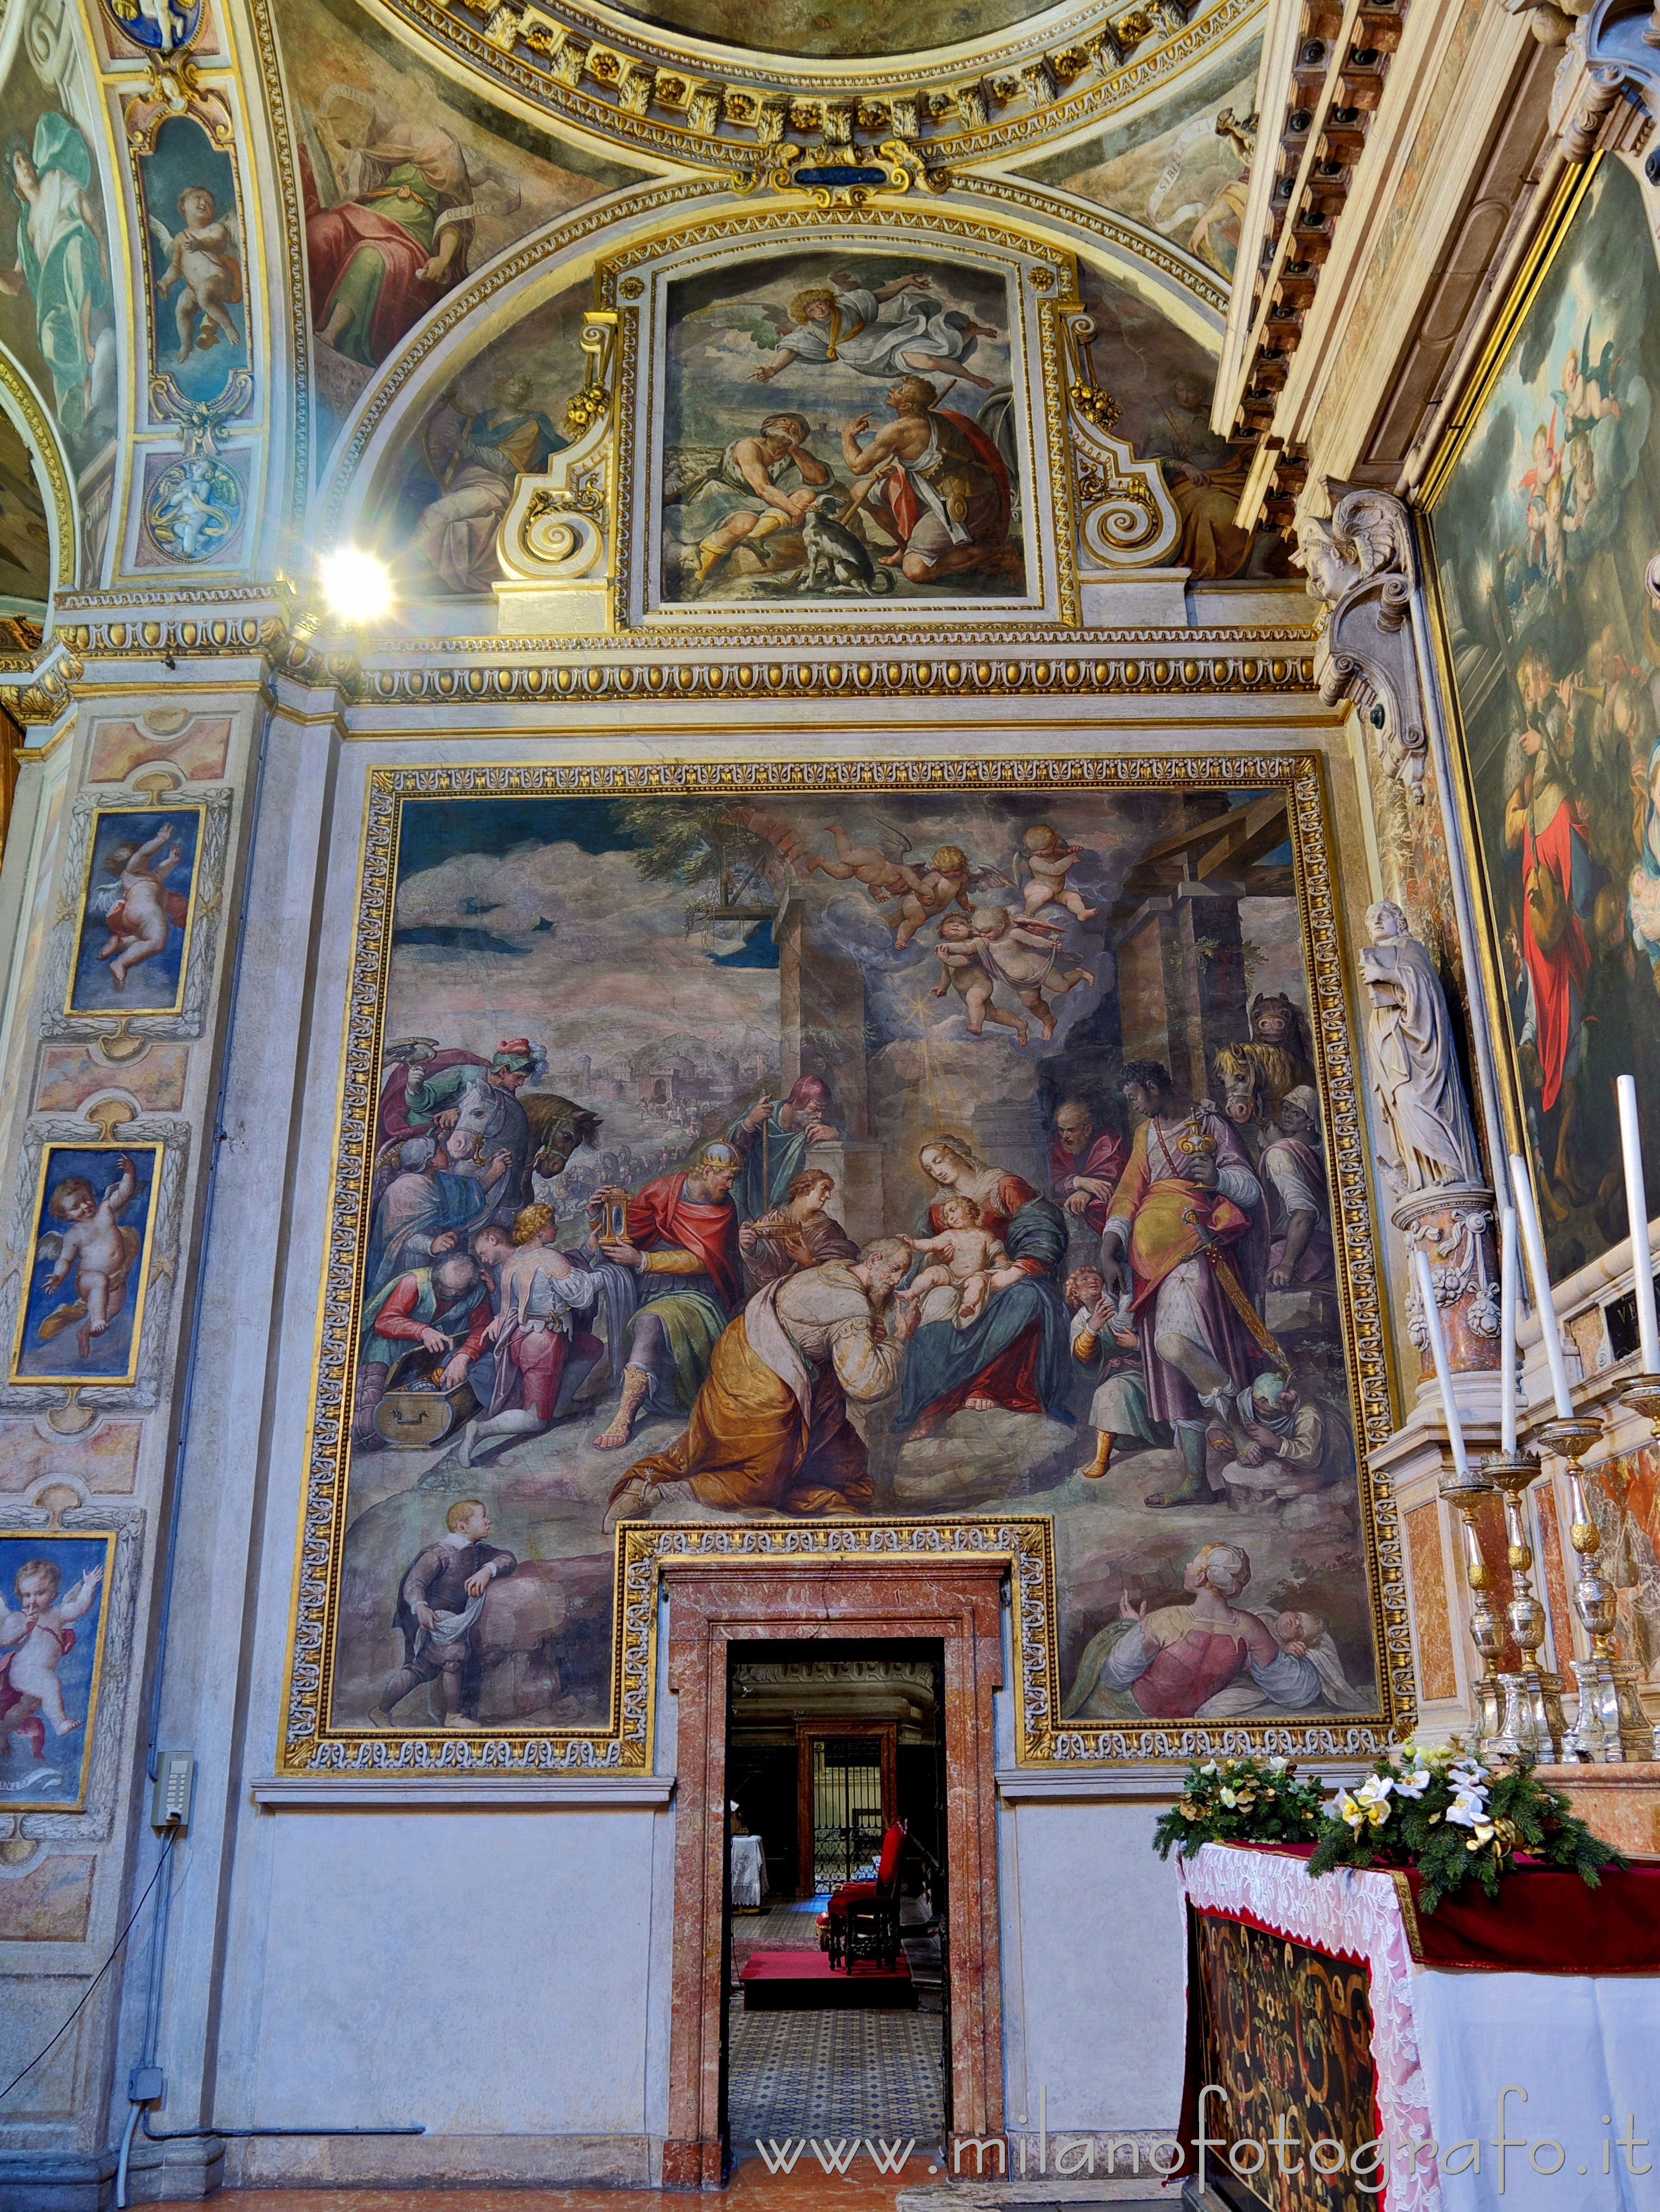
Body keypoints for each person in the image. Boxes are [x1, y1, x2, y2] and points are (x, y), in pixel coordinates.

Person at [603, 1239, 918, 1530]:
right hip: (763, 1380)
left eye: (902, 1274)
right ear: (874, 1260)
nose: (897, 1281)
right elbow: (866, 1384)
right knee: (763, 1481)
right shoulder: (853, 1309)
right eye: (894, 1270)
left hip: (742, 1343)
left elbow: (828, 1324)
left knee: (841, 1456)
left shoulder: (837, 1270)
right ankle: (658, 1494)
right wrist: (901, 1338)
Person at [1097, 1062, 1271, 1509]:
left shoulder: (1210, 1122)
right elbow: (1127, 1192)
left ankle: (1233, 1428)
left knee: (1176, 1346)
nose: (1134, 1104)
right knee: (1173, 1372)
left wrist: (1216, 1179)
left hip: (1194, 1250)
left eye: (1136, 1095)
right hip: (1148, 1267)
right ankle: (1196, 1480)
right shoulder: (1145, 1134)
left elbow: (1250, 1189)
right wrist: (1109, 1248)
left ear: (1154, 1086)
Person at [893, 1135, 1072, 1437]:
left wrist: (1016, 1270)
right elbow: (920, 1257)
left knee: (1024, 1300)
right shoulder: (937, 1211)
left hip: (1010, 1278)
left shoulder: (1004, 1187)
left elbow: (1043, 1227)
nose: (936, 1171)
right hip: (954, 1283)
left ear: (960, 1152)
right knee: (928, 1316)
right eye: (929, 1169)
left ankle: (989, 1388)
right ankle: (934, 1404)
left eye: (939, 1160)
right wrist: (935, 1259)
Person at [588, 1142, 744, 1451]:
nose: (730, 1185)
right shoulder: (662, 1191)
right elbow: (624, 1233)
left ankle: (624, 1417)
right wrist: (599, 1218)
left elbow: (704, 1260)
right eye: (726, 1177)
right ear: (708, 1171)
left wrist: (643, 1261)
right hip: (654, 1290)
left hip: (698, 1295)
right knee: (650, 1319)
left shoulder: (725, 1209)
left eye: (733, 1179)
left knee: (650, 1322)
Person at [1061, 1543, 1325, 1721]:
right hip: (1191, 1715)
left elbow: (1114, 1678)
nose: (1187, 1567)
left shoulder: (1165, 1620)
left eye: (1192, 1564)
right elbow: (1296, 1690)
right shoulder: (1251, 1628)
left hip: (1140, 1713)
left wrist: (1129, 1627)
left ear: (1200, 1578)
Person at [302, 100, 473, 368]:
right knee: (320, 232)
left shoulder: (449, 158)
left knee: (371, 259)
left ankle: (332, 333)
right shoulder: (400, 142)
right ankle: (301, 307)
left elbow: (454, 217)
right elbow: (368, 168)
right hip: (367, 214)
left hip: (408, 236)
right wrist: (331, 142)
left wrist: (442, 258)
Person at [839, 376, 1020, 589]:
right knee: (861, 491)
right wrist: (898, 469)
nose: (893, 389)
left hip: (966, 502)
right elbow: (932, 463)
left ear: (907, 405)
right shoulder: (930, 418)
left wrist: (847, 437)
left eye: (900, 390)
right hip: (930, 490)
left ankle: (1000, 554)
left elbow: (858, 466)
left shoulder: (899, 430)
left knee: (915, 570)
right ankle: (905, 546)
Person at [459, 1203, 603, 1466]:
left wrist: (588, 1252)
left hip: (525, 1338)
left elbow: (506, 1310)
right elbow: (580, 1295)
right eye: (552, 1224)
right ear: (538, 1230)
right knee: (536, 1420)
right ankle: (480, 1431)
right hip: (544, 1343)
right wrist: (608, 1274)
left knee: (591, 1347)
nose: (556, 1228)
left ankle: (562, 1404)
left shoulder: (513, 1261)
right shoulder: (548, 1257)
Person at [0, 116, 114, 446]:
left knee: (75, 252)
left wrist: (103, 249)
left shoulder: (54, 179)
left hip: (81, 258)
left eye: (25, 159)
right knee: (48, 337)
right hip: (56, 295)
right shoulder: (27, 228)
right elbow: (19, 282)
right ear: (15, 185)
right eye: (18, 164)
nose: (25, 165)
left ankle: (87, 345)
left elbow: (85, 210)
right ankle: (81, 384)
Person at [1360, 900, 1485, 1194]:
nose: (1377, 921)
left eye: (1384, 915)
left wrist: (1387, 975)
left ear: (1399, 921)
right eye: (1371, 918)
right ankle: (1423, 1175)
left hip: (1415, 1050)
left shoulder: (1407, 947)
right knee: (1399, 1108)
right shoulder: (1381, 955)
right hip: (1392, 1045)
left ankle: (1451, 1164)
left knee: (1410, 1099)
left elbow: (1426, 987)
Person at [408, 375, 569, 594]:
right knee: (458, 532)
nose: (517, 389)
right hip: (461, 485)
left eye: (523, 387)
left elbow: (506, 464)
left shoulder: (528, 425)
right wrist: (442, 451)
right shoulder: (480, 422)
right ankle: (430, 580)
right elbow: (453, 457)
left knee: (434, 513)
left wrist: (464, 446)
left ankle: (410, 572)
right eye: (513, 384)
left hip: (493, 488)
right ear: (500, 388)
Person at [370, 1499, 515, 1729]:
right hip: (435, 1623)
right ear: (462, 1527)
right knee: (453, 1656)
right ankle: (453, 1717)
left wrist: (488, 1570)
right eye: (482, 1517)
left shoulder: (480, 1552)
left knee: (421, 1670)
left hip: (457, 1624)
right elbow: (414, 1584)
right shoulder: (439, 1554)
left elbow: (508, 1558)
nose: (489, 1521)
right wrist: (421, 1607)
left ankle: (380, 1711)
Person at [751, 273, 999, 391]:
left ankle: (973, 376)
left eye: (820, 303)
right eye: (813, 309)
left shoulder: (846, 305)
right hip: (867, 361)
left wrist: (903, 283)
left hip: (887, 341)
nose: (819, 310)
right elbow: (793, 347)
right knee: (930, 359)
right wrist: (773, 368)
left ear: (826, 300)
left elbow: (876, 298)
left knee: (931, 360)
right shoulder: (811, 330)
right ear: (809, 315)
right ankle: (968, 332)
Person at [673, 412, 832, 590]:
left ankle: (753, 537)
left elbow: (819, 479)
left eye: (795, 426)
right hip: (725, 496)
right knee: (744, 522)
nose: (788, 426)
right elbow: (762, 488)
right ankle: (696, 579)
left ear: (800, 436)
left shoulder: (792, 453)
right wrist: (795, 512)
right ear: (769, 426)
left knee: (807, 495)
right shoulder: (748, 446)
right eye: (783, 421)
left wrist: (796, 452)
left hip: (760, 503)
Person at [352, 1250, 494, 1446]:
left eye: (459, 1292)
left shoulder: (478, 1291)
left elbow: (482, 1329)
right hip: (386, 1354)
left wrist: (464, 1356)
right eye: (445, 1288)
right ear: (436, 1276)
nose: (452, 1294)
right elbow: (385, 1321)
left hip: (426, 1360)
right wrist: (422, 1331)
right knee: (367, 1425)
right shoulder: (414, 1282)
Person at [364, 1134, 512, 1300]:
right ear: (431, 1162)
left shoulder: (439, 1180)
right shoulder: (405, 1190)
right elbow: (398, 1240)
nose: (445, 1152)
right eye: (440, 1150)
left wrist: (496, 1171)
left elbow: (469, 1196)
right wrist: (431, 1245)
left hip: (440, 1259)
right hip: (409, 1265)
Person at [1140, 372, 1253, 580]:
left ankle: (1256, 566)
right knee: (1223, 514)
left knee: (1262, 506)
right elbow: (1153, 458)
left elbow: (1237, 444)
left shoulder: (1214, 415)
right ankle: (1221, 567)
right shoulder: (1166, 421)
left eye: (1191, 391)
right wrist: (1185, 467)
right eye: (1180, 390)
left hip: (1231, 474)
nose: (1185, 396)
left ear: (1202, 393)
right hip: (1192, 484)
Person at [38, 1155, 142, 1363]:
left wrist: (130, 1174)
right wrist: (58, 1276)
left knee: (113, 1310)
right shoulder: (74, 1235)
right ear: (67, 1216)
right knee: (99, 1281)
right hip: (88, 1280)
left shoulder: (106, 1210)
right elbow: (65, 1260)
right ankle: (96, 1319)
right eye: (76, 1206)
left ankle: (85, 1332)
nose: (85, 1206)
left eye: (86, 1198)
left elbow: (124, 1193)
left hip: (117, 1278)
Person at [0, 1557, 103, 1754]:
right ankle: (60, 1723)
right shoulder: (18, 1618)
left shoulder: (57, 1613)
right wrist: (22, 1630)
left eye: (40, 1593)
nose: (32, 1600)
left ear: (54, 1592)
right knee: (51, 1685)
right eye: (27, 1595)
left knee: (26, 1707)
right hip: (24, 1671)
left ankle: (3, 1732)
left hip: (39, 1673)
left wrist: (89, 1587)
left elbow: (79, 1608)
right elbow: (2, 1640)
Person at [1064, 1264, 1156, 1479]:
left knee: (1111, 1391)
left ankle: (1102, 1459)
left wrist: (1138, 1344)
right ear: (1076, 1292)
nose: (1094, 1280)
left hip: (1146, 1375)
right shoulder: (1080, 1320)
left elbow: (1154, 1333)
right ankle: (1105, 1453)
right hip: (1113, 1377)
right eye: (1085, 1278)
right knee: (1111, 1391)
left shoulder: (1124, 1305)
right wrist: (1092, 1328)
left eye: (1097, 1277)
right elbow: (1082, 1357)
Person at [1213, 1370, 1353, 1507]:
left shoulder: (1308, 1415)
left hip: (1326, 1453)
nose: (1260, 1412)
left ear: (1282, 1408)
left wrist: (1275, 1442)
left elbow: (1310, 1455)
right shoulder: (1248, 1400)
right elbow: (1232, 1418)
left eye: (1267, 1411)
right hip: (1283, 1457)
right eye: (1256, 1406)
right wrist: (1214, 1431)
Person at [898, 1195, 1025, 1327]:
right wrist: (913, 1243)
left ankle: (967, 1306)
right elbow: (931, 1244)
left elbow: (998, 1254)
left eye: (953, 1210)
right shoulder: (950, 1235)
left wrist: (1002, 1268)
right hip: (951, 1274)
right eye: (947, 1216)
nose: (950, 1217)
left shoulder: (985, 1235)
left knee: (977, 1284)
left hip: (975, 1275)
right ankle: (912, 1292)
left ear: (969, 1209)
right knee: (932, 1272)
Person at [88, 822, 187, 991]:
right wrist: (160, 840)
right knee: (156, 942)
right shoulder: (132, 869)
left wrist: (172, 861)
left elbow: (159, 873)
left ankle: (121, 942)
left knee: (144, 940)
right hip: (147, 910)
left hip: (135, 915)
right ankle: (121, 963)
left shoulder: (144, 876)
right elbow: (145, 853)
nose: (148, 862)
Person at [728, 1074, 837, 1221]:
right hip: (754, 1191)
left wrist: (835, 1133)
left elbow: (854, 1141)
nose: (820, 1116)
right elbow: (732, 1151)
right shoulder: (764, 1116)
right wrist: (749, 1123)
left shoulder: (812, 1129)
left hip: (787, 1205)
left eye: (823, 1110)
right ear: (797, 1104)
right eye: (815, 1109)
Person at [1259, 1087, 1335, 1289]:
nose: (1288, 1116)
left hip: (1305, 1250)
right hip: (1329, 1248)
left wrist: (1287, 1264)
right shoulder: (1323, 1148)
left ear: (1310, 1120)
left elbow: (1305, 1213)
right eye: (1286, 1109)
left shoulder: (1280, 1153)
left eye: (1296, 1113)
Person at [159, 184, 242, 361]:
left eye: (209, 202)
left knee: (205, 293)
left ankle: (228, 326)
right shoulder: (180, 239)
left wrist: (201, 244)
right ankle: (186, 344)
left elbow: (217, 241)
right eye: (198, 198)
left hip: (219, 280)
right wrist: (166, 282)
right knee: (181, 307)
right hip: (194, 288)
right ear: (183, 206)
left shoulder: (215, 229)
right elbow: (176, 267)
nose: (204, 203)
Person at [739, 1169, 858, 1291]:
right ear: (804, 1188)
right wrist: (748, 1247)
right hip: (773, 1292)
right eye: (824, 1188)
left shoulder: (830, 1229)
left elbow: (846, 1263)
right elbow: (760, 1268)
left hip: (813, 1292)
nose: (828, 1196)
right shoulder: (769, 1222)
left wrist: (811, 1263)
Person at [1048, 1098, 1128, 1233]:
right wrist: (1079, 1182)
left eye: (1071, 1130)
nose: (1065, 1136)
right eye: (1061, 1130)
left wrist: (1086, 1192)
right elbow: (1054, 1181)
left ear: (1087, 1130)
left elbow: (1110, 1182)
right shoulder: (1056, 1145)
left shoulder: (1108, 1142)